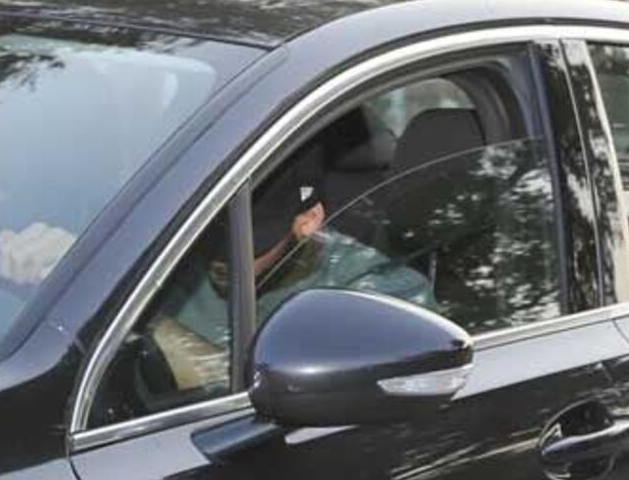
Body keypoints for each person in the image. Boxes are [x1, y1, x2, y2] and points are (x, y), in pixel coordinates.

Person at [145, 143, 436, 393]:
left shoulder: (378, 293)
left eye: (246, 242)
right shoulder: (170, 262)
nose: (218, 258)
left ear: (309, 220)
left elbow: (311, 404)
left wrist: (173, 340)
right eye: (208, 237)